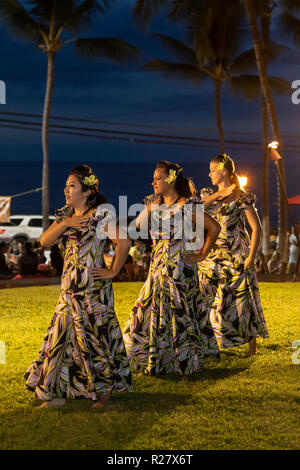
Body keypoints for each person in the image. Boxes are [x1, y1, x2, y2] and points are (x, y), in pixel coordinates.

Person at [24, 165, 132, 409]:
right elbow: (45, 240)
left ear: (86, 191)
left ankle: (104, 395)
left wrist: (113, 271)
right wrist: (68, 222)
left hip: (92, 289)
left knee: (94, 339)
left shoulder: (99, 215)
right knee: (60, 339)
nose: (66, 190)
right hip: (68, 288)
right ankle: (56, 393)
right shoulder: (65, 215)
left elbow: (124, 241)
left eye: (71, 186)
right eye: (66, 186)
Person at [123, 161, 221, 376]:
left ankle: (180, 360)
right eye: (154, 178)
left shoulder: (186, 205)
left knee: (177, 315)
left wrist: (202, 254)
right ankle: (155, 358)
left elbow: (214, 227)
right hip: (157, 268)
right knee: (149, 311)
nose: (153, 182)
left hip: (179, 269)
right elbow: (136, 226)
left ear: (171, 179)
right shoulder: (155, 205)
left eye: (158, 178)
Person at [199, 153, 269, 357]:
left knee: (242, 299)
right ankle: (209, 343)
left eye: (213, 170)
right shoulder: (209, 196)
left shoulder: (241, 196)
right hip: (213, 254)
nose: (209, 173)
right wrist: (216, 196)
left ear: (223, 171)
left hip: (237, 254)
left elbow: (257, 229)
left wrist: (251, 257)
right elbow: (193, 210)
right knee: (205, 297)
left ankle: (251, 345)